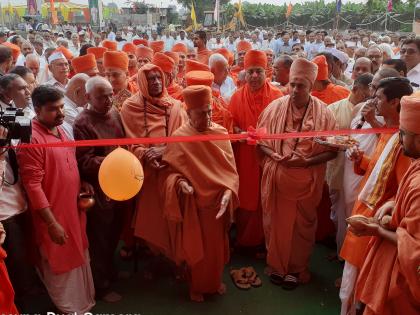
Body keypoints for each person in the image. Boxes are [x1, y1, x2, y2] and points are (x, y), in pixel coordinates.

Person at [256, 57, 337, 290]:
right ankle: (277, 266)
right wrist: (273, 155)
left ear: (311, 86)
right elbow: (258, 141)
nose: (294, 90)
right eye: (292, 84)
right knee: (275, 225)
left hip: (306, 184)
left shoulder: (325, 115)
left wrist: (307, 161)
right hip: (277, 180)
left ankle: (296, 268)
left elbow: (333, 151)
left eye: (300, 85)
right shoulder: (274, 108)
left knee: (301, 229)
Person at [17, 86, 95, 314]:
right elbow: (32, 186)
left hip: (72, 209)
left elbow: (69, 164)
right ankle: (68, 309)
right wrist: (51, 223)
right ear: (37, 109)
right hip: (53, 215)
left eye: (62, 107)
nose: (61, 113)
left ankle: (81, 306)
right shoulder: (31, 139)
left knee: (78, 254)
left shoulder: (62, 130)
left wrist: (81, 184)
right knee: (60, 262)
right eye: (53, 109)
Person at [340, 77, 413, 315]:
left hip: (375, 223)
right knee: (351, 282)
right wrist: (360, 159)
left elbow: (401, 192)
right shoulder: (388, 133)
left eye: (379, 98)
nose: (374, 102)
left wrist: (381, 221)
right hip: (364, 214)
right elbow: (378, 171)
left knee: (360, 286)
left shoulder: (405, 145)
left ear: (394, 102)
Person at [161, 85, 239, 302]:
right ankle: (196, 286)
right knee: (195, 248)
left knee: (215, 249)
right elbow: (170, 173)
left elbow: (230, 170)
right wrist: (181, 184)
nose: (207, 117)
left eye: (209, 111)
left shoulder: (220, 132)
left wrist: (227, 191)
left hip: (217, 204)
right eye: (201, 113)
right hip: (193, 204)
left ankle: (213, 283)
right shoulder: (180, 137)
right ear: (188, 114)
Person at [353, 94, 420, 315]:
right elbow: (402, 193)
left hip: (403, 282)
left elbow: (415, 250)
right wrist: (393, 204)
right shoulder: (416, 163)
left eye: (403, 134)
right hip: (390, 268)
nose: (399, 140)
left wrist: (375, 229)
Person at [120, 64, 186, 267]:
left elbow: (184, 139)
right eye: (151, 79)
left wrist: (165, 151)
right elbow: (130, 141)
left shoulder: (175, 106)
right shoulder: (130, 107)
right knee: (150, 218)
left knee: (171, 218)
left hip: (171, 170)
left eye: (159, 78)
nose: (157, 82)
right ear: (141, 82)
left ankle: (172, 258)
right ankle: (152, 257)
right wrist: (146, 154)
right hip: (145, 172)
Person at [73, 77, 127, 303]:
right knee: (99, 238)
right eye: (101, 96)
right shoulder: (82, 123)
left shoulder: (115, 113)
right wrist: (112, 161)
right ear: (87, 98)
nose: (108, 100)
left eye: (110, 95)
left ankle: (110, 272)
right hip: (99, 187)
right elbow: (83, 161)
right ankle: (101, 285)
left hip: (121, 183)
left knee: (115, 231)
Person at [229, 50, 283, 250]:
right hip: (245, 157)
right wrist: (240, 132)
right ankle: (245, 241)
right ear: (244, 72)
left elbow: (284, 126)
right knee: (247, 196)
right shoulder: (235, 98)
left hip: (270, 155)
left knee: (268, 198)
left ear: (266, 71)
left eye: (258, 71)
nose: (253, 76)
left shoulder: (278, 97)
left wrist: (266, 137)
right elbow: (230, 125)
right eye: (250, 71)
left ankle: (265, 242)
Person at [326, 73, 373, 255]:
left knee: (355, 214)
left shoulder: (372, 113)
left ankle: (346, 256)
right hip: (337, 168)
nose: (370, 96)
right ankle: (341, 253)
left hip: (362, 171)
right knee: (339, 214)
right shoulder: (334, 108)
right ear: (355, 89)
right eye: (367, 91)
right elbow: (325, 136)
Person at [61, 73, 89, 139]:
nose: (88, 99)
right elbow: (88, 129)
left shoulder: (76, 105)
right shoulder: (65, 109)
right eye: (87, 95)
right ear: (77, 92)